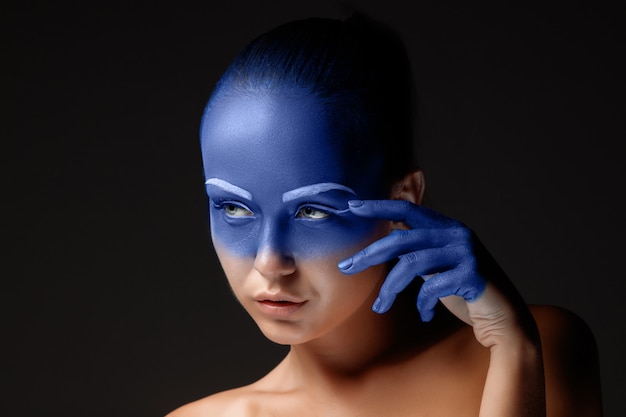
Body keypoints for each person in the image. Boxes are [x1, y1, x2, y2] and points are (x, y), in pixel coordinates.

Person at [167, 14, 602, 416]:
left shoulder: (543, 346)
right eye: (234, 208)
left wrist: (513, 347)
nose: (268, 262)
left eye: (312, 211)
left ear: (404, 198)